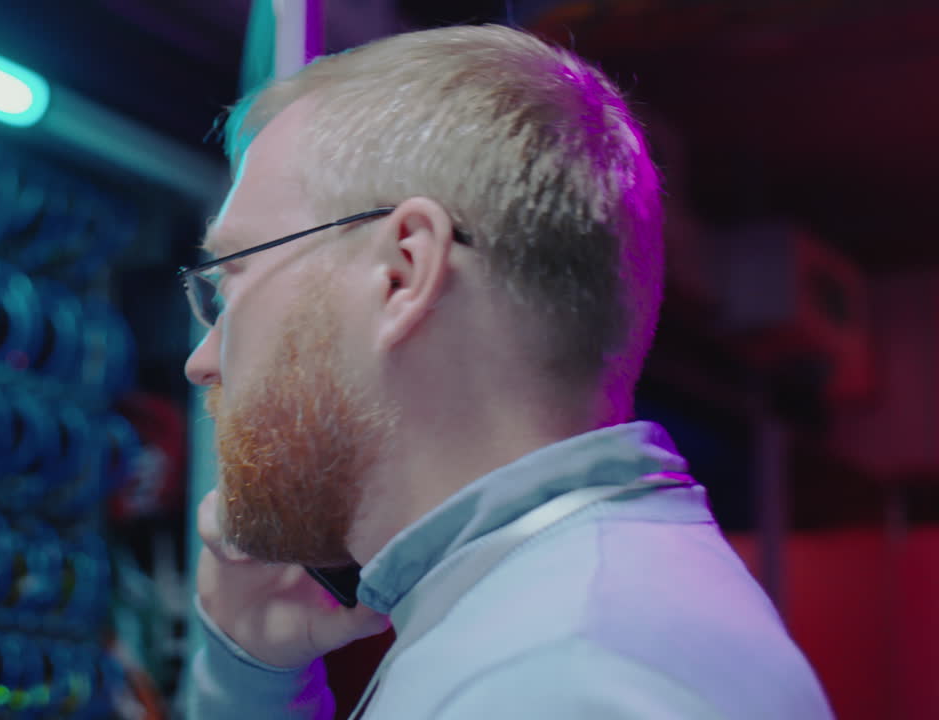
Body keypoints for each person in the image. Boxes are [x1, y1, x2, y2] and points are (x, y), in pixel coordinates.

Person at [179, 23, 833, 719]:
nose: (201, 361)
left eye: (231, 281)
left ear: (402, 272)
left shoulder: (559, 680)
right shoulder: (566, 619)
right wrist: (250, 678)